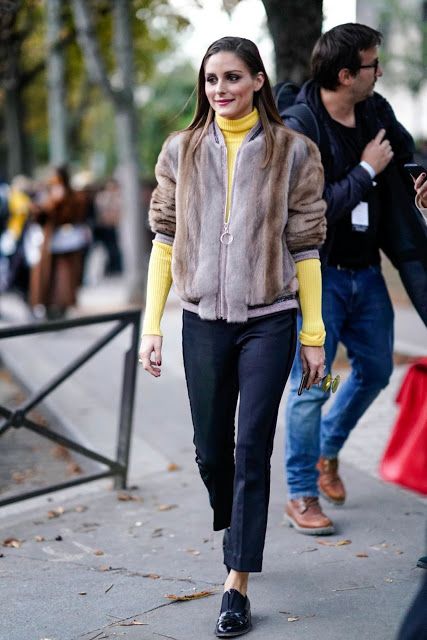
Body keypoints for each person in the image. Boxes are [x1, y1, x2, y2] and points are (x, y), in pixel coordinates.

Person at [139, 36, 326, 637]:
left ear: (259, 82)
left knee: (250, 449)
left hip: (270, 318)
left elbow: (306, 249)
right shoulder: (180, 151)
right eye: (211, 79)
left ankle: (235, 581)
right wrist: (152, 326)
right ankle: (235, 513)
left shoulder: (294, 152)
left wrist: (313, 334)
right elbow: (163, 245)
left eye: (233, 78)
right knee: (212, 451)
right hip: (202, 321)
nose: (220, 89)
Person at [282, 23, 422, 535]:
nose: (379, 70)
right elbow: (309, 211)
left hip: (367, 275)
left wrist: (419, 179)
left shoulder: (375, 110)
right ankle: (300, 494)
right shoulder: (303, 126)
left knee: (376, 369)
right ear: (345, 75)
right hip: (320, 279)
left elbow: (406, 156)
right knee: (311, 386)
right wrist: (364, 171)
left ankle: (327, 448)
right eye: (371, 64)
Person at [29, 166, 90, 320]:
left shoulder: (73, 196)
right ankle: (46, 306)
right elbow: (42, 217)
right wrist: (38, 209)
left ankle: (61, 307)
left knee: (63, 278)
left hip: (66, 245)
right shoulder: (49, 194)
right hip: (50, 243)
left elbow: (76, 213)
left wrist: (59, 203)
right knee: (46, 276)